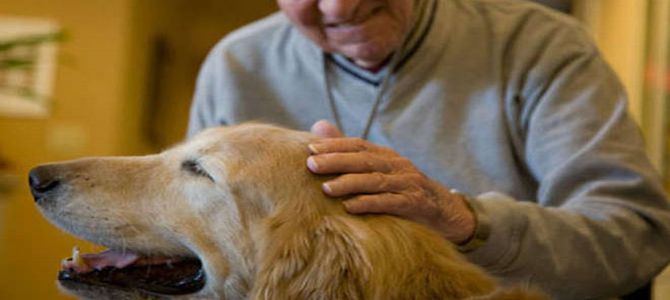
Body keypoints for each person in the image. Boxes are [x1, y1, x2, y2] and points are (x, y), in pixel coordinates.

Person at [187, 0, 670, 298]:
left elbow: (636, 238)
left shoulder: (539, 46)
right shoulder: (236, 66)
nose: (339, 7)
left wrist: (463, 220)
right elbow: (205, 255)